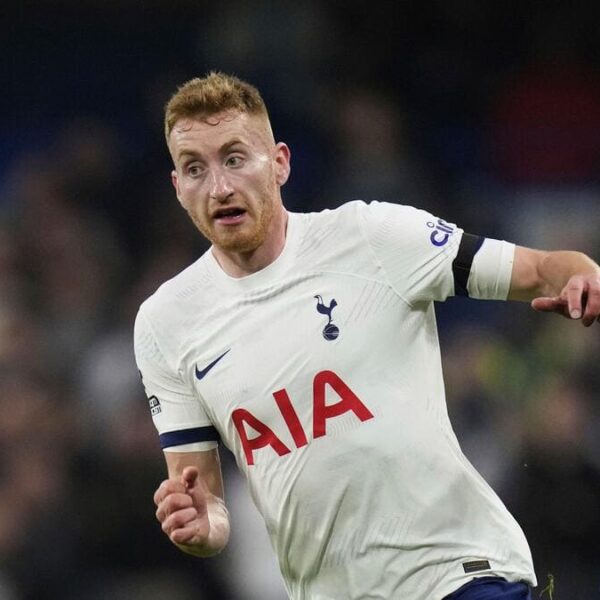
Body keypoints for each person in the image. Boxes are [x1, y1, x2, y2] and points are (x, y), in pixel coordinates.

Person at [134, 71, 600, 600]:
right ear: (177, 188)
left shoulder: (369, 237)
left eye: (235, 158)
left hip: (459, 574)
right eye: (195, 168)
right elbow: (207, 501)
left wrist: (583, 273)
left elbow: (542, 269)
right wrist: (201, 527)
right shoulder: (165, 322)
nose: (218, 186)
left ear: (280, 162)